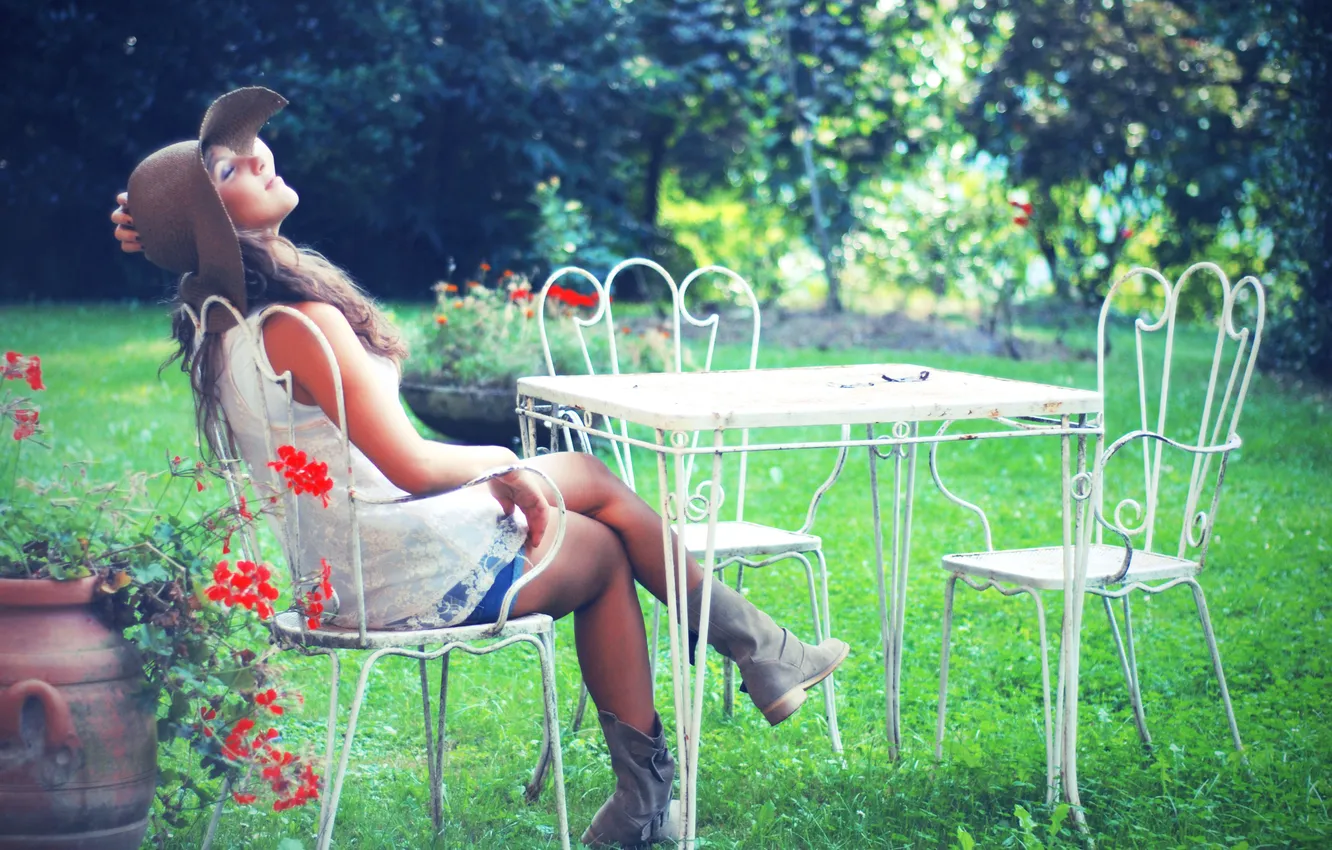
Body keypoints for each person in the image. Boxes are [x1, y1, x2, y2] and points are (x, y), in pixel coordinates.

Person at [114, 87, 848, 848]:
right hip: (389, 560)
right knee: (598, 546)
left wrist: (162, 217)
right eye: (228, 171)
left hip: (339, 565)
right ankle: (690, 743)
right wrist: (504, 461)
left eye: (245, 150)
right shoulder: (301, 323)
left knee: (593, 490)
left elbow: (386, 460)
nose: (260, 155)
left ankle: (747, 671)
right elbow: (408, 464)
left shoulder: (219, 324)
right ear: (211, 223)